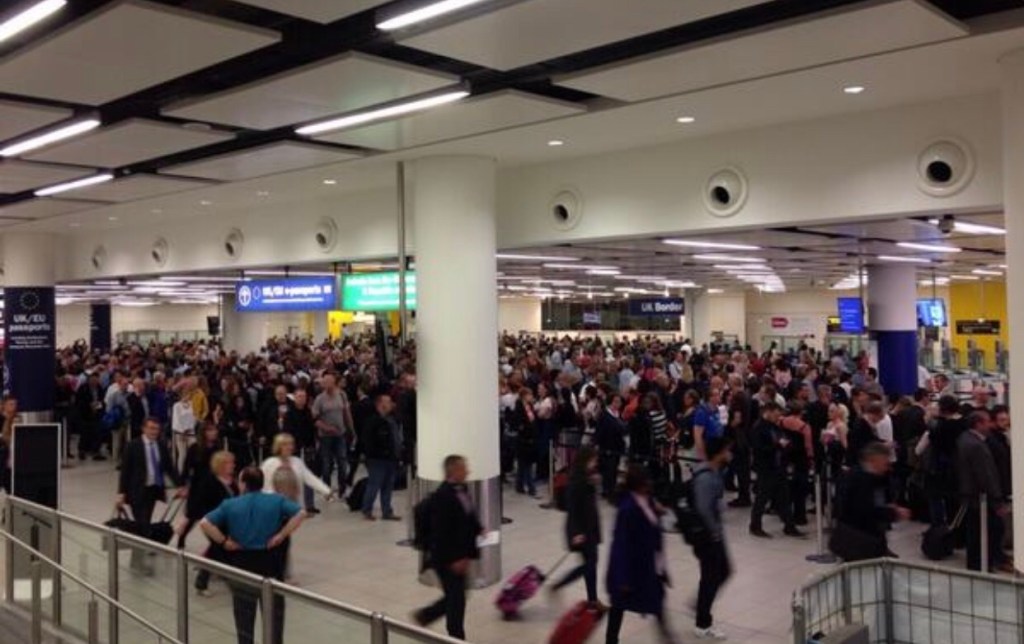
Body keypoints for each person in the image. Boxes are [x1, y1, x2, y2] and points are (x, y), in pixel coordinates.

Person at [200, 467, 306, 644]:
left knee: (244, 616)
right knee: (274, 615)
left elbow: (205, 523)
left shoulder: (230, 504)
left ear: (242, 483)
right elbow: (300, 513)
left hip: (242, 562)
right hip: (270, 561)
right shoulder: (276, 500)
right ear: (261, 483)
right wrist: (281, 535)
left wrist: (224, 541)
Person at [413, 455, 483, 641]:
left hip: (458, 556)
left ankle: (426, 615)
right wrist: (456, 559)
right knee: (456, 600)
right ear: (453, 471)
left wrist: (478, 528)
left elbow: (467, 516)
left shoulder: (462, 489)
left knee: (456, 596)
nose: (468, 471)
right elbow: (442, 533)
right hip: (447, 558)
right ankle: (456, 638)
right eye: (464, 468)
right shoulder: (443, 497)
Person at [604, 464, 676, 644]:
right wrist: (622, 578)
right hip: (632, 567)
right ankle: (611, 640)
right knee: (619, 605)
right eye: (646, 482)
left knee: (656, 599)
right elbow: (620, 545)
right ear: (638, 485)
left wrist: (663, 568)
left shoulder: (648, 501)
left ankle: (666, 637)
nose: (649, 484)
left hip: (649, 563)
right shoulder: (628, 509)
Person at [117, 417, 185, 574]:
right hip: (136, 491)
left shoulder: (161, 445)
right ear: (144, 429)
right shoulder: (133, 446)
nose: (155, 432)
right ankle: (137, 562)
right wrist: (121, 493)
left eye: (157, 429)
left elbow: (169, 467)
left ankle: (143, 548)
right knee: (142, 525)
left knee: (144, 524)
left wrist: (180, 485)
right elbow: (125, 471)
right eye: (151, 428)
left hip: (152, 491)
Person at [956, 411, 1009, 572]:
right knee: (991, 529)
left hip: (971, 495)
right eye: (987, 422)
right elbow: (986, 475)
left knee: (975, 531)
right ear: (978, 424)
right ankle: (984, 563)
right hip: (981, 497)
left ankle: (978, 563)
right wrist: (997, 500)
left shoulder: (965, 438)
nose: (989, 425)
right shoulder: (976, 446)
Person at [550, 446, 603, 606]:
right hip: (582, 530)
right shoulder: (576, 481)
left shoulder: (586, 477)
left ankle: (593, 600)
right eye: (593, 460)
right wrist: (576, 533)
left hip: (589, 527)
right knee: (589, 564)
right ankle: (560, 584)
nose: (595, 463)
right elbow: (572, 509)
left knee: (590, 564)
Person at [692, 437, 733, 640]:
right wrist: (714, 531)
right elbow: (703, 509)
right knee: (711, 576)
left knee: (721, 572)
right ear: (718, 454)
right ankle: (703, 623)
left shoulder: (715, 471)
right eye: (726, 450)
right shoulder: (706, 478)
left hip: (714, 534)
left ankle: (701, 607)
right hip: (708, 536)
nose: (729, 453)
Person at [749, 402, 803, 538]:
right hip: (766, 468)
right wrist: (777, 446)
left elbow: (784, 440)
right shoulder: (758, 428)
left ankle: (789, 526)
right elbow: (759, 448)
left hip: (779, 467)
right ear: (768, 412)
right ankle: (755, 526)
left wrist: (787, 445)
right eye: (776, 414)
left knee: (784, 497)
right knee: (762, 498)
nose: (778, 417)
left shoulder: (775, 427)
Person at [189, 450, 238, 596]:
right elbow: (200, 504)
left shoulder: (232, 481)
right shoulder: (209, 482)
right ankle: (230, 582)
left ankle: (203, 582)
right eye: (229, 463)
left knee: (216, 551)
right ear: (220, 465)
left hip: (229, 523)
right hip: (213, 523)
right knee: (219, 550)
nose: (233, 465)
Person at [178, 421, 222, 548]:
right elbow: (186, 468)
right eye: (210, 430)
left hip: (213, 489)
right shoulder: (195, 449)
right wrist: (183, 485)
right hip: (197, 489)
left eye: (215, 430)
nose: (214, 432)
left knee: (211, 519)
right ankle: (181, 539)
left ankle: (214, 545)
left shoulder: (217, 449)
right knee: (192, 517)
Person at [360, 393, 403, 521]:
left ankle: (387, 511)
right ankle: (367, 509)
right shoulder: (372, 421)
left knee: (388, 486)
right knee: (374, 484)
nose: (391, 404)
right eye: (388, 402)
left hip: (391, 458)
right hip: (377, 459)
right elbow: (368, 441)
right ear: (380, 404)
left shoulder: (391, 419)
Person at [312, 373, 354, 498]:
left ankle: (342, 489)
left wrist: (351, 430)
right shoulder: (319, 399)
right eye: (324, 382)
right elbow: (314, 419)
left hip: (340, 434)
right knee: (326, 464)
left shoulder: (342, 395)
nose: (326, 384)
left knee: (342, 462)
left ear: (334, 382)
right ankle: (327, 490)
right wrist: (327, 428)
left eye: (329, 381)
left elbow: (346, 413)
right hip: (325, 436)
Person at [282, 388, 319, 512]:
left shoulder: (308, 412)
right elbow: (287, 432)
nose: (302, 399)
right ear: (295, 398)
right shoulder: (289, 414)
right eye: (299, 396)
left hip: (308, 447)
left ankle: (310, 505)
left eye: (304, 396)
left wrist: (312, 445)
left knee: (309, 475)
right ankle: (292, 505)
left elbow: (311, 430)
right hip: (294, 448)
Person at [595, 394, 628, 499]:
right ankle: (607, 490)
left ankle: (612, 488)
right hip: (607, 446)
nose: (618, 404)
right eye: (615, 401)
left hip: (617, 446)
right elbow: (600, 432)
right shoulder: (604, 415)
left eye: (619, 402)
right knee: (608, 469)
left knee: (614, 468)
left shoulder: (618, 414)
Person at [513, 388, 539, 497]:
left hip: (530, 438)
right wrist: (524, 429)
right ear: (524, 396)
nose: (531, 397)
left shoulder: (530, 406)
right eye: (529, 395)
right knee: (527, 465)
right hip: (523, 439)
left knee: (523, 464)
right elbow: (519, 423)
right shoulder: (519, 407)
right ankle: (531, 488)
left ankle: (519, 485)